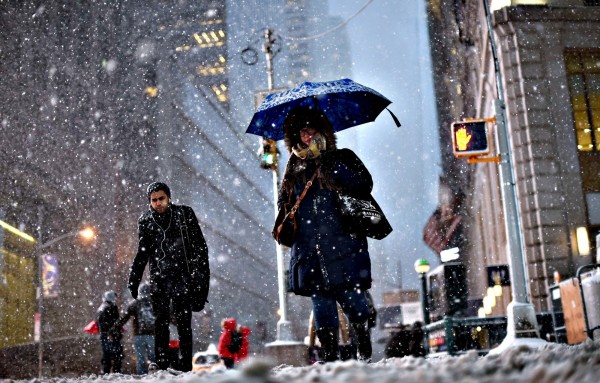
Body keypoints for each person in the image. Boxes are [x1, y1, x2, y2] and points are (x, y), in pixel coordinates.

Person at [278, 106, 377, 362]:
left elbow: (364, 185)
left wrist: (334, 169)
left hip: (343, 245)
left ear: (322, 131)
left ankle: (363, 347)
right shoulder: (293, 167)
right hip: (309, 249)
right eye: (303, 131)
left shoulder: (341, 157)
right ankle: (330, 357)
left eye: (312, 130)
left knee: (355, 305)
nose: (308, 136)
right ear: (296, 136)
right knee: (322, 307)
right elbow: (284, 205)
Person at [128, 182, 210, 372]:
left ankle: (185, 366)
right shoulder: (146, 220)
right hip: (159, 278)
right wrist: (134, 279)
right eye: (154, 200)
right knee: (161, 323)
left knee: (184, 323)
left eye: (161, 199)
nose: (158, 203)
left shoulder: (184, 214)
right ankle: (162, 365)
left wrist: (199, 275)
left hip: (183, 276)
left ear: (169, 197)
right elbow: (143, 253)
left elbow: (200, 246)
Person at [113, 283, 155, 375]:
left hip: (138, 335)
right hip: (152, 335)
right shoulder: (155, 302)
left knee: (140, 359)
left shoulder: (134, 303)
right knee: (153, 358)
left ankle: (141, 376)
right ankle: (156, 376)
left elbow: (125, 317)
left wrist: (115, 327)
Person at [97, 291, 123, 374]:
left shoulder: (100, 308)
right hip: (112, 335)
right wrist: (114, 333)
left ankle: (106, 373)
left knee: (106, 355)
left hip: (103, 335)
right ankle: (116, 373)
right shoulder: (112, 306)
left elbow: (98, 322)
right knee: (117, 355)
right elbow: (116, 322)